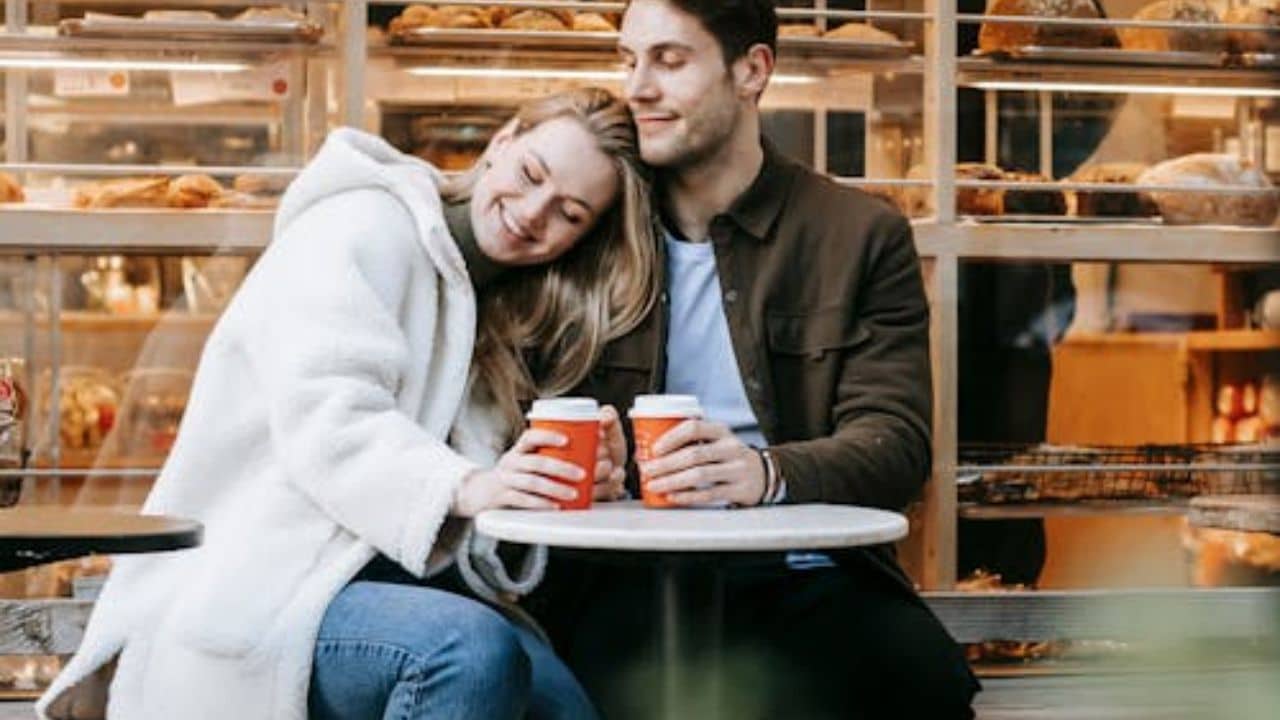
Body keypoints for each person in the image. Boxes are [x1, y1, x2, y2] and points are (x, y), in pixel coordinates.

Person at [37, 87, 656, 720]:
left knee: (562, 702)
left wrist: (553, 485)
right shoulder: (360, 227)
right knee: (467, 651)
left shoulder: (492, 302)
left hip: (378, 587)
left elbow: (471, 505)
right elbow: (327, 419)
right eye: (530, 175)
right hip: (263, 584)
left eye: (570, 213)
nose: (533, 212)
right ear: (500, 144)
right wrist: (470, 485)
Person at [525, 2, 980, 718]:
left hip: (811, 579)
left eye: (670, 60)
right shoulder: (588, 225)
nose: (638, 86)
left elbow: (894, 445)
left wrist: (764, 473)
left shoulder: (860, 236)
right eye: (627, 59)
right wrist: (595, 471)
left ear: (752, 71)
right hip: (622, 582)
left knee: (921, 678)